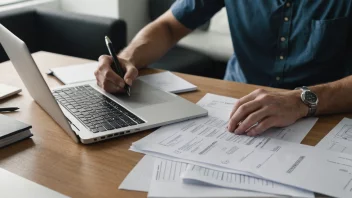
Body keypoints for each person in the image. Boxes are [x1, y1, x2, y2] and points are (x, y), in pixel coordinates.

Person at [95, 0, 352, 136]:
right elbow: (169, 26)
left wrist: (300, 100)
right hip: (231, 107)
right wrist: (129, 58)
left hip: (326, 114)